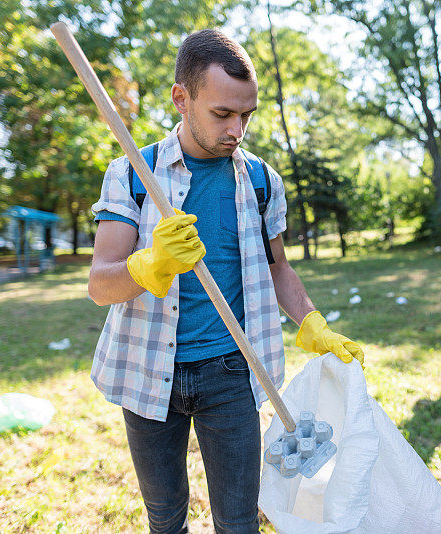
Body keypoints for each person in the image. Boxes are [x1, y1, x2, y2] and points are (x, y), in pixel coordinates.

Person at [87, 29, 363, 534]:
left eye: (247, 115)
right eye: (222, 114)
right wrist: (150, 265)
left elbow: (279, 267)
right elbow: (100, 285)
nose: (237, 129)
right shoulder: (132, 173)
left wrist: (311, 320)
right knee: (166, 519)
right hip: (148, 369)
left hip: (233, 371)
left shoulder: (261, 181)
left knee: (238, 522)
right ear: (182, 97)